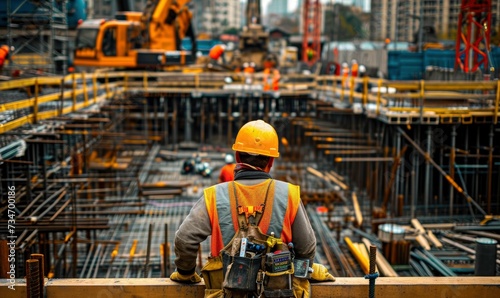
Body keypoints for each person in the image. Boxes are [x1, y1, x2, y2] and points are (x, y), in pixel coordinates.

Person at [170, 120, 333, 297]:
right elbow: (307, 247)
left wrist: (186, 273)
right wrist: (302, 273)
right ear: (271, 161)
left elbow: (185, 239)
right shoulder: (289, 195)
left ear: (237, 158)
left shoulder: (214, 196)